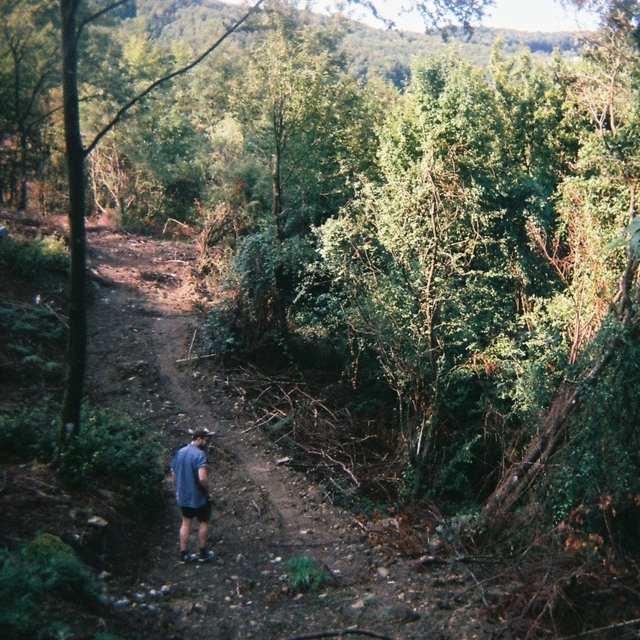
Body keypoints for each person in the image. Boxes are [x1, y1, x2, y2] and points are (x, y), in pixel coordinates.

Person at [171, 428, 215, 563]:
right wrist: (207, 492)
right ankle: (203, 552)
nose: (206, 444)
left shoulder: (180, 452)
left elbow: (174, 474)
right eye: (206, 440)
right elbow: (202, 478)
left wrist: (178, 490)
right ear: (199, 438)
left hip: (183, 495)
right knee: (204, 521)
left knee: (185, 523)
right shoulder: (199, 455)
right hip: (198, 496)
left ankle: (184, 554)